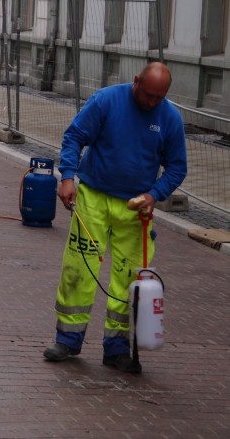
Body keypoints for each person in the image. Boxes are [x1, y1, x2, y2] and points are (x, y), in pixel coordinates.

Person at [43, 62, 187, 374]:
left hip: (136, 208)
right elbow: (75, 137)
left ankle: (117, 348)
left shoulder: (170, 118)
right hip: (94, 197)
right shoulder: (106, 101)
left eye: (158, 98)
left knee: (128, 277)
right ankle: (67, 339)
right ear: (136, 81)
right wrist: (67, 177)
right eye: (147, 94)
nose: (151, 103)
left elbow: (177, 166)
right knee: (79, 267)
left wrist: (154, 194)